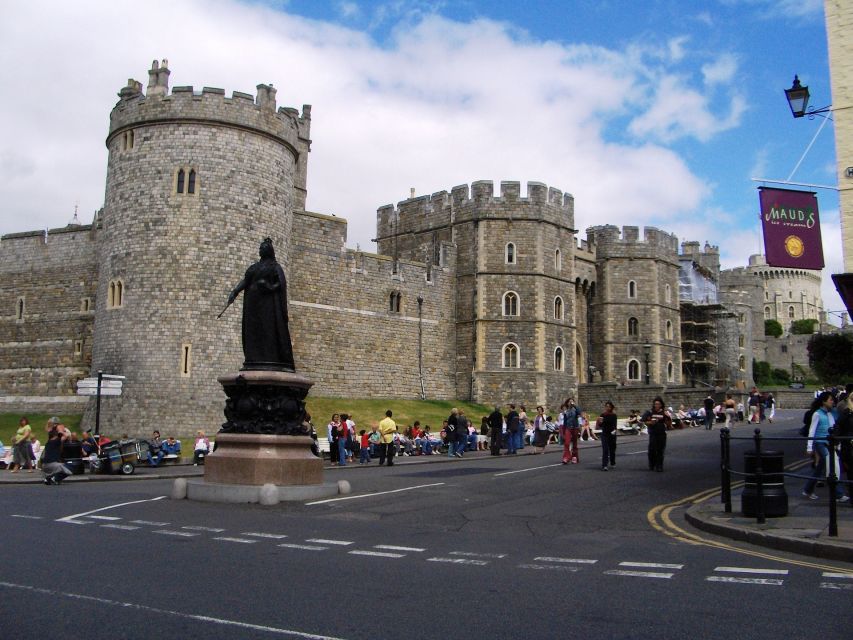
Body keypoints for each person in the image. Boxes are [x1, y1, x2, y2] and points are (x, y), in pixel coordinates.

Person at [802, 391, 848, 502]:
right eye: (830, 400)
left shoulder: (833, 413)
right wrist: (809, 447)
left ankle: (807, 490)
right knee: (832, 464)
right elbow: (811, 431)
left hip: (831, 443)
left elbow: (836, 429)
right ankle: (838, 494)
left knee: (820, 468)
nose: (833, 402)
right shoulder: (817, 414)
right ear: (823, 401)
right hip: (820, 442)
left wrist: (838, 443)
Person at [643, 397, 671, 472]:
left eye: (658, 404)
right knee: (652, 449)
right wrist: (650, 423)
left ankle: (659, 466)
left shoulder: (664, 413)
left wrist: (668, 417)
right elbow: (644, 421)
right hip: (653, 433)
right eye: (655, 404)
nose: (657, 405)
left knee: (660, 450)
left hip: (661, 433)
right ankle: (652, 464)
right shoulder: (649, 412)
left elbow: (668, 424)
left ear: (661, 405)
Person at [598, 401, 618, 471]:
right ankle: (604, 465)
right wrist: (600, 422)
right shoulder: (603, 415)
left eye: (609, 406)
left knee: (612, 449)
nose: (607, 408)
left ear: (611, 407)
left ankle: (612, 462)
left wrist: (614, 431)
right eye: (606, 406)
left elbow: (615, 425)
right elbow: (600, 425)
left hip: (612, 434)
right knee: (605, 449)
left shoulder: (614, 415)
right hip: (604, 434)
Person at [560, 398, 581, 464]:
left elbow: (579, 412)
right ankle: (566, 457)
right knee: (567, 443)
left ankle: (574, 457)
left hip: (575, 427)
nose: (570, 402)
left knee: (574, 443)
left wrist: (574, 405)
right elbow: (565, 421)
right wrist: (563, 430)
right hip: (568, 428)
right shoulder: (566, 411)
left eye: (572, 401)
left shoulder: (575, 409)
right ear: (567, 403)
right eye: (569, 402)